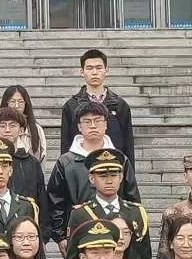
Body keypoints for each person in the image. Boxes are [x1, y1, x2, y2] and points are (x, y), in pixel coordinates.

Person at [47, 101, 140, 245]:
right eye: (87, 121)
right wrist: (60, 237)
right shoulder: (66, 162)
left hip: (118, 234)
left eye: (97, 121)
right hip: (79, 233)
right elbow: (55, 201)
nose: (93, 125)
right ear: (79, 126)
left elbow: (132, 197)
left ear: (106, 124)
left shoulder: (120, 159)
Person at [63, 148, 152, 259]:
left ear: (121, 177)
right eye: (103, 176)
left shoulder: (136, 212)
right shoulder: (80, 214)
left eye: (114, 175)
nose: (109, 181)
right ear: (92, 179)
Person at [60, 50, 135, 164]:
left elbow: (128, 144)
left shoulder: (120, 105)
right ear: (82, 72)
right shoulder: (71, 106)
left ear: (106, 70)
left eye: (99, 68)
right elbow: (66, 144)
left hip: (113, 166)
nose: (94, 72)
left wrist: (128, 172)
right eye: (89, 68)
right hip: (80, 166)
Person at [0, 85, 48, 165]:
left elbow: (42, 157)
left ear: (26, 104)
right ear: (6, 103)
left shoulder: (36, 129)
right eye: (12, 102)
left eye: (20, 102)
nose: (16, 106)